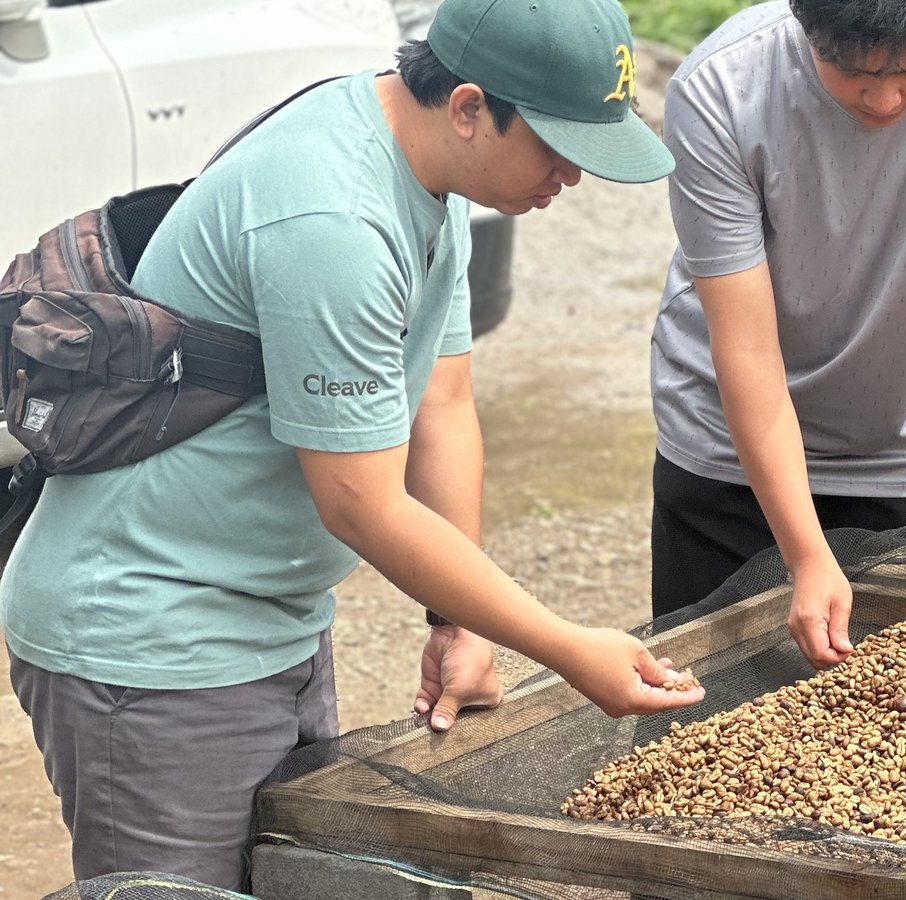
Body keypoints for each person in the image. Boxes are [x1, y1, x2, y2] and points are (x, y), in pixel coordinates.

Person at [1, 0, 701, 889]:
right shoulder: (332, 216)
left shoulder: (431, 168)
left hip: (272, 617)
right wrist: (565, 646)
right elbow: (362, 502)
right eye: (560, 146)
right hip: (152, 633)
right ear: (469, 106)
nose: (572, 175)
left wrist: (461, 620)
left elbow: (442, 401)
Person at [649, 0, 906, 667]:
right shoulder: (722, 88)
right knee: (706, 711)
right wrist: (806, 557)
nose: (885, 97)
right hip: (726, 454)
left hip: (897, 448)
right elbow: (747, 345)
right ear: (804, 22)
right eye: (851, 70)